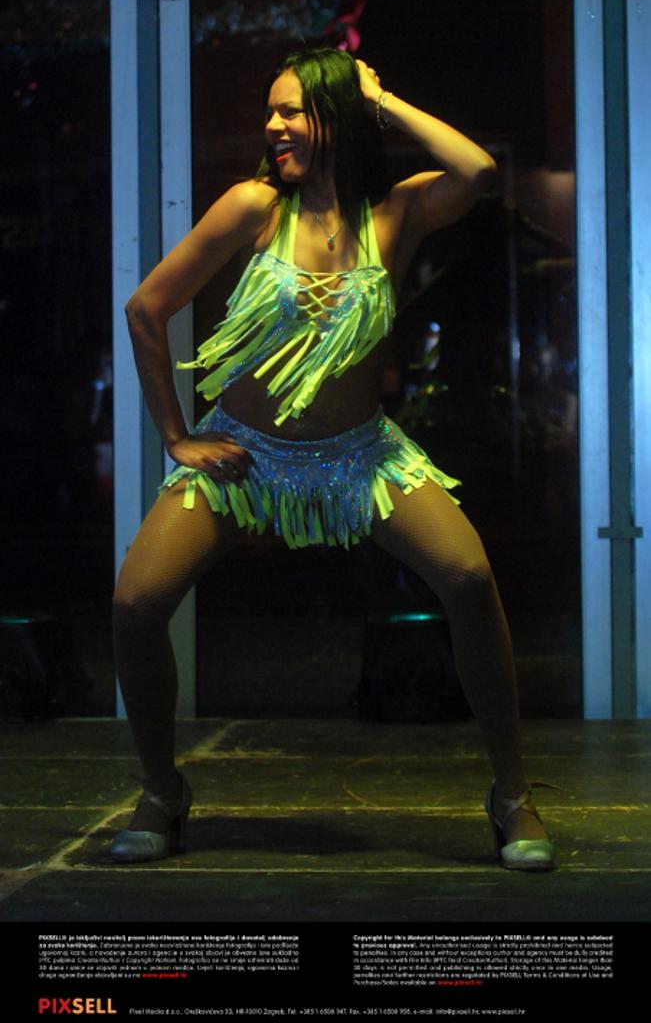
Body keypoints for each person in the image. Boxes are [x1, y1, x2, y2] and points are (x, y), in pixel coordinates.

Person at [111, 47, 556, 871]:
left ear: (339, 119)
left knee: (467, 577)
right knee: (136, 602)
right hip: (245, 457)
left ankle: (510, 795)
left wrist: (381, 99)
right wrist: (176, 437)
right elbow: (146, 308)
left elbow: (477, 171)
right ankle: (161, 793)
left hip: (359, 457)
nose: (273, 126)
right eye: (270, 112)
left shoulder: (396, 214)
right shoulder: (253, 206)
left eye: (292, 110)